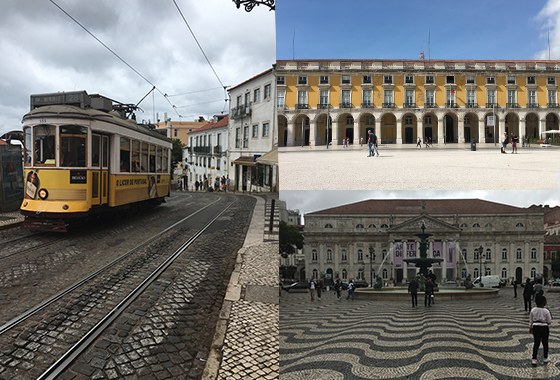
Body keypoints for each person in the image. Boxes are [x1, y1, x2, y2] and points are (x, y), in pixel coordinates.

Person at [529, 295, 552, 365]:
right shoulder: (546, 311)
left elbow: (531, 320)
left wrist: (530, 327)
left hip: (536, 327)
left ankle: (534, 358)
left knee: (536, 343)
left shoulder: (533, 310)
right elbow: (549, 321)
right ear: (544, 302)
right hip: (544, 327)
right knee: (545, 343)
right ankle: (545, 357)